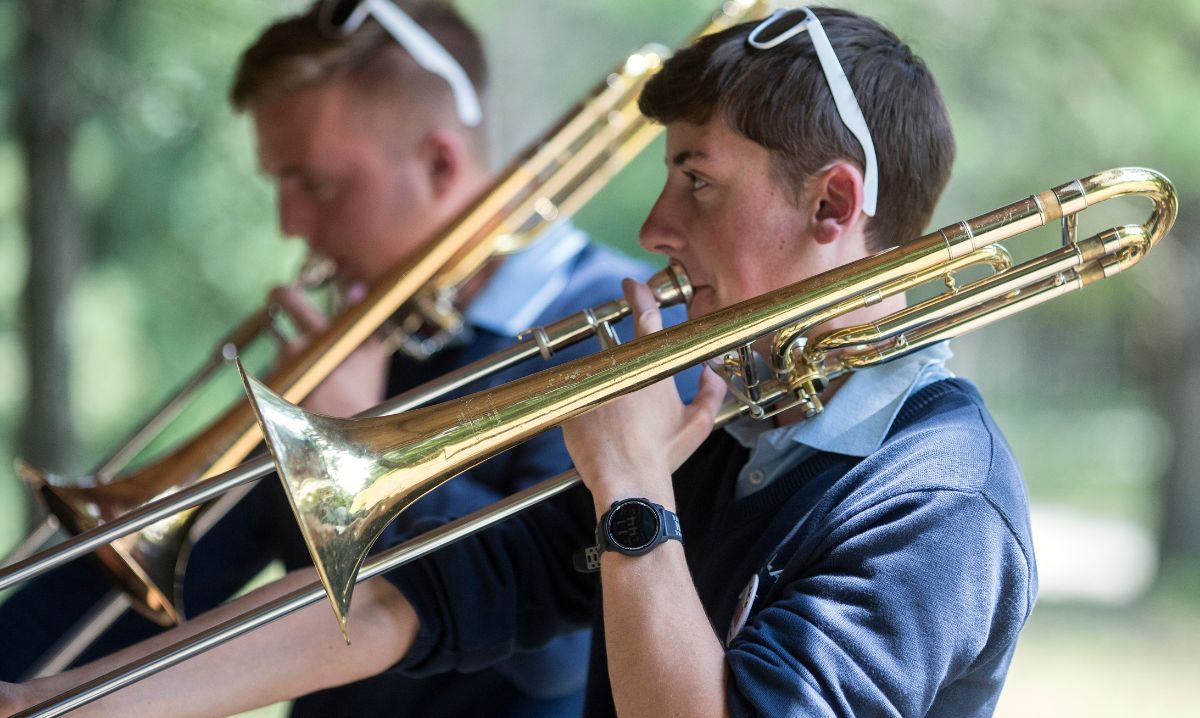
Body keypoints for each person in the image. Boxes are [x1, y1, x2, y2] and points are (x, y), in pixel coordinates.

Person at [1, 6, 1037, 717]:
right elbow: (408, 599)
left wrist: (631, 490)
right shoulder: (737, 413)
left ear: (834, 206)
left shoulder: (941, 495)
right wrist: (52, 701)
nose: (655, 225)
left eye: (698, 180)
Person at [0, 1, 690, 716]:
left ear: (439, 163)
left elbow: (564, 650)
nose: (289, 223)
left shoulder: (616, 328)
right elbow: (154, 581)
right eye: (279, 184)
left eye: (315, 184)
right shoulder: (373, 338)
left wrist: (363, 428)